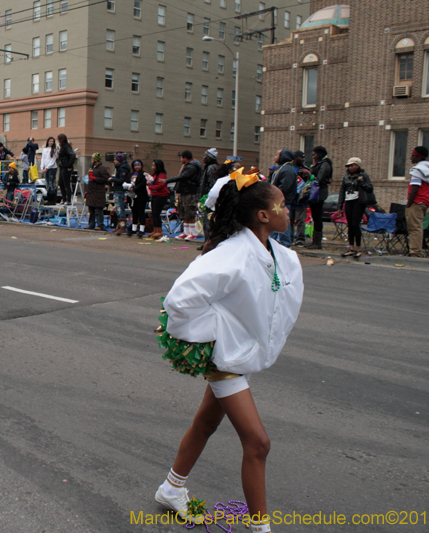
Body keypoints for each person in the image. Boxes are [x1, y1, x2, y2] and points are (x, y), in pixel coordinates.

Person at [155, 175, 302, 533]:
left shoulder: (278, 254)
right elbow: (179, 301)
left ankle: (172, 489)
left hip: (243, 354)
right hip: (228, 361)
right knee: (258, 442)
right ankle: (260, 527)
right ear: (263, 216)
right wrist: (216, 337)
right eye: (281, 204)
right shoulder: (231, 255)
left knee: (207, 422)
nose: (288, 210)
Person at [336, 157, 374, 258]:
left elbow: (370, 188)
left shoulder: (364, 176)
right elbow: (342, 191)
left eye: (352, 165)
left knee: (355, 224)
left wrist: (361, 182)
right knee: (350, 225)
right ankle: (351, 248)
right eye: (349, 166)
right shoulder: (346, 177)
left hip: (358, 201)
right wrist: (339, 206)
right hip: (349, 201)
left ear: (358, 166)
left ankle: (358, 248)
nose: (350, 167)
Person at [406, 146, 429, 257]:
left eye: (413, 155)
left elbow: (415, 188)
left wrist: (408, 204)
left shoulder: (417, 170)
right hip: (425, 201)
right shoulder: (428, 170)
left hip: (417, 201)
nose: (411, 157)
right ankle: (416, 250)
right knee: (417, 226)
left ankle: (415, 252)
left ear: (418, 157)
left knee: (414, 227)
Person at [166, 150, 202, 241]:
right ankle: (186, 232)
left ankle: (192, 233)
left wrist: (167, 180)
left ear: (184, 157)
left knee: (190, 212)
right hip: (184, 191)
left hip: (190, 191)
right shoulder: (186, 166)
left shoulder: (192, 167)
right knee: (184, 212)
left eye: (181, 157)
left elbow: (182, 177)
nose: (181, 159)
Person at [302, 146, 332, 250]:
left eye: (314, 154)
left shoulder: (324, 164)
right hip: (316, 193)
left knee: (318, 218)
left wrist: (308, 173)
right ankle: (315, 241)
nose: (313, 156)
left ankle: (317, 242)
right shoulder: (318, 164)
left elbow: (319, 178)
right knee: (315, 217)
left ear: (319, 154)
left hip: (319, 194)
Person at [269, 149, 297, 247]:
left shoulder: (287, 170)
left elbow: (284, 187)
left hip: (282, 202)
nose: (275, 157)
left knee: (283, 222)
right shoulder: (281, 168)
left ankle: (285, 245)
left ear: (283, 156)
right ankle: (271, 243)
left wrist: (274, 194)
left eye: (277, 154)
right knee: (275, 222)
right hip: (277, 201)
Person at [146, 160, 170, 239]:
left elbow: (160, 186)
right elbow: (152, 181)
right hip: (154, 195)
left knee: (156, 213)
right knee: (153, 213)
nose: (152, 167)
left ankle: (159, 231)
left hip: (161, 195)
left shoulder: (162, 175)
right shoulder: (154, 174)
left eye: (154, 166)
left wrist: (150, 187)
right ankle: (155, 229)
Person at [87, 153, 109, 231]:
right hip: (91, 192)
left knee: (99, 209)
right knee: (91, 209)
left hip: (98, 192)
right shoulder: (92, 168)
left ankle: (100, 225)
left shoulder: (102, 168)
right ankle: (91, 224)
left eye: (92, 159)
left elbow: (105, 179)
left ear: (95, 160)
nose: (91, 160)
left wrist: (95, 178)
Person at [110, 153, 130, 235]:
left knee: (120, 209)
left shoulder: (122, 169)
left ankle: (122, 227)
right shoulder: (120, 168)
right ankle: (119, 226)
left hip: (120, 190)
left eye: (115, 159)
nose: (114, 161)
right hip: (118, 190)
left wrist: (113, 179)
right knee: (118, 209)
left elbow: (122, 180)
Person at [128, 160, 149, 238]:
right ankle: (133, 229)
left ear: (141, 166)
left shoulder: (143, 174)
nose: (137, 167)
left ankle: (142, 229)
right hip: (132, 197)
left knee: (141, 212)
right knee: (134, 212)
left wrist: (134, 188)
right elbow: (127, 182)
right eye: (135, 165)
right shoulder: (130, 174)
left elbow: (142, 183)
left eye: (138, 165)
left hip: (141, 196)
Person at [56, 134, 76, 205]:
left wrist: (69, 165)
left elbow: (72, 155)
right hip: (62, 167)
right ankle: (64, 199)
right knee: (61, 183)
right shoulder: (63, 147)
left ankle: (68, 200)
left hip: (66, 167)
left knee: (66, 184)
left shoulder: (67, 147)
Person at [40, 137, 58, 204]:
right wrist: (42, 168)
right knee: (47, 184)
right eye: (50, 141)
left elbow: (53, 161)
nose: (51, 142)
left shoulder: (54, 150)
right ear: (48, 141)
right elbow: (43, 159)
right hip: (46, 169)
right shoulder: (44, 149)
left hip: (52, 168)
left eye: (52, 141)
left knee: (51, 183)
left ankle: (53, 200)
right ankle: (49, 199)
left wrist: (46, 168)